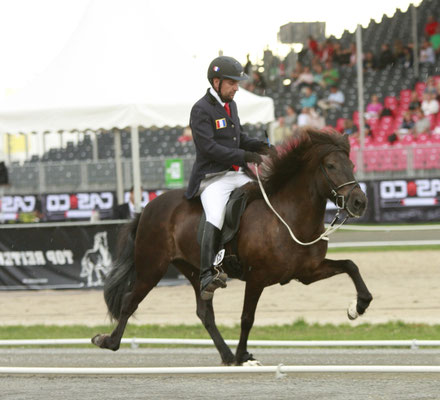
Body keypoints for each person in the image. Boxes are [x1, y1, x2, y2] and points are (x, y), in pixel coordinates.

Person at [185, 56, 272, 300]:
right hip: (212, 177)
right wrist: (245, 155)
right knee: (215, 214)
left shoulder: (230, 106)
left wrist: (262, 147)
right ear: (216, 82)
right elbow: (209, 148)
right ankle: (205, 275)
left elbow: (239, 137)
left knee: (263, 197)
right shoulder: (200, 109)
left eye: (237, 83)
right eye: (232, 83)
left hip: (235, 173)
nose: (236, 88)